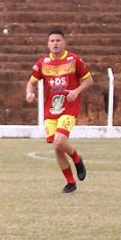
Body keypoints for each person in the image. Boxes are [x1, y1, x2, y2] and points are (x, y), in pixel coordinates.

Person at [26, 29, 92, 193]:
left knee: (60, 141)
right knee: (57, 147)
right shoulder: (43, 63)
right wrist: (29, 93)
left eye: (58, 40)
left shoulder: (74, 60)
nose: (55, 43)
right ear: (48, 44)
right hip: (50, 110)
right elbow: (31, 82)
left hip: (68, 108)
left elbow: (89, 80)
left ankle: (77, 159)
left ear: (64, 43)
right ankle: (70, 182)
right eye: (52, 41)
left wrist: (76, 91)